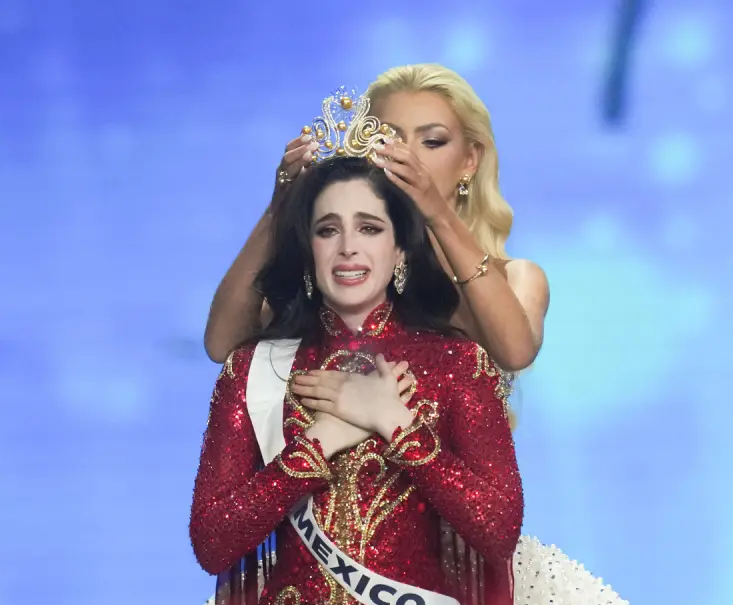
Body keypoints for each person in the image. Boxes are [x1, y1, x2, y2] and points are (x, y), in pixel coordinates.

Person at [77, 83, 733, 605]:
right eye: (328, 230)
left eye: (370, 228)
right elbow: (213, 537)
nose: (349, 248)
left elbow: (498, 522)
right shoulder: (258, 370)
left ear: (400, 249)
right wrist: (315, 448)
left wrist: (400, 428)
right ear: (306, 246)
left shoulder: (459, 357)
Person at [204, 64, 548, 374]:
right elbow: (222, 345)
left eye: (432, 141)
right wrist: (279, 206)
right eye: (387, 139)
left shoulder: (518, 278)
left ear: (470, 160)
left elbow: (515, 352)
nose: (407, 155)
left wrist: (437, 215)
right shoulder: (348, 271)